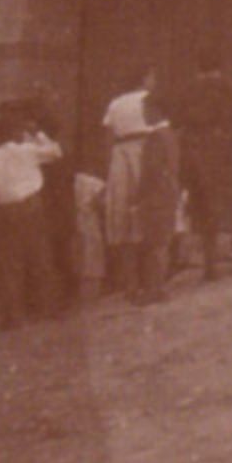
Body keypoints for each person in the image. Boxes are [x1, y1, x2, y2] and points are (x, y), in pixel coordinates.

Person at [174, 49, 232, 280]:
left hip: (199, 153)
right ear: (219, 67)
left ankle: (210, 263)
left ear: (198, 68)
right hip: (230, 149)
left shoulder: (187, 92)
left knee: (203, 204)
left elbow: (178, 122)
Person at [0, 110, 63, 330]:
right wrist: (39, 134)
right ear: (17, 132)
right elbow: (56, 152)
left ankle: (14, 316)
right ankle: (49, 308)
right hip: (31, 207)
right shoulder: (27, 150)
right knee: (40, 258)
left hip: (5, 212)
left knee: (11, 264)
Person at [101, 67, 155, 295]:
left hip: (120, 156)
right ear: (143, 79)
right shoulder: (148, 99)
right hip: (146, 151)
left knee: (123, 215)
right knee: (148, 211)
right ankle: (150, 280)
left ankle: (131, 282)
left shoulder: (115, 104)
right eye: (152, 77)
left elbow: (108, 138)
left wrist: (109, 168)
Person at [133, 91, 181, 305]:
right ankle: (159, 287)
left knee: (154, 243)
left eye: (145, 109)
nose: (143, 114)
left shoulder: (155, 137)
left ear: (154, 110)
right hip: (169, 190)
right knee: (162, 241)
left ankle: (155, 289)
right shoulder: (170, 134)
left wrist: (138, 195)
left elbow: (150, 169)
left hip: (155, 193)